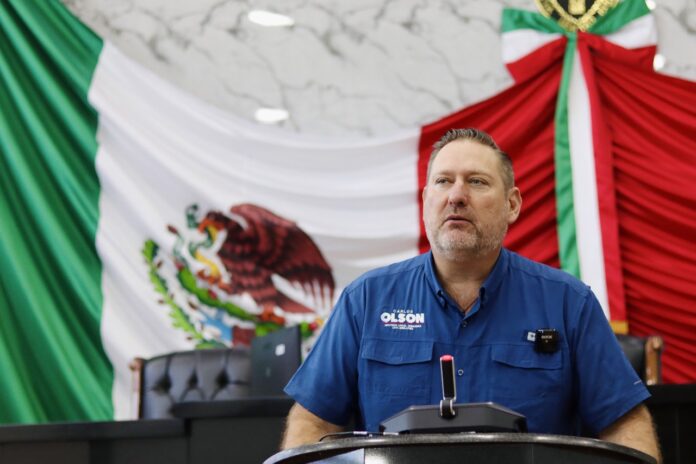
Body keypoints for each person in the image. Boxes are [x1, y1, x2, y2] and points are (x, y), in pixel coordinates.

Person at [281, 128, 660, 461]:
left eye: (477, 182)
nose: (457, 196)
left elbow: (625, 424)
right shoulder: (365, 300)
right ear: (426, 200)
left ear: (512, 205)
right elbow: (313, 421)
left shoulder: (568, 303)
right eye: (444, 181)